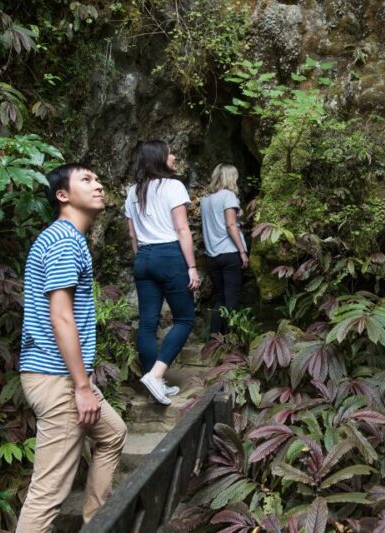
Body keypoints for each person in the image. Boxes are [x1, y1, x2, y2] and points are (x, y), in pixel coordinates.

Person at [17, 163, 126, 532]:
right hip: (56, 377)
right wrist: (82, 386)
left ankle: (98, 524)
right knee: (47, 494)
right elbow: (60, 316)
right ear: (62, 195)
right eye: (87, 180)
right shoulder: (64, 240)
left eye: (98, 178)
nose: (98, 185)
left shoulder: (66, 238)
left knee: (113, 434)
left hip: (56, 373)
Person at [125, 140, 200, 406]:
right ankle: (157, 375)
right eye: (170, 152)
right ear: (159, 158)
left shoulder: (133, 191)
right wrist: (191, 266)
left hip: (144, 257)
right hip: (169, 255)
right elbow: (181, 230)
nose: (175, 155)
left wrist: (145, 259)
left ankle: (152, 382)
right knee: (184, 319)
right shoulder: (173, 186)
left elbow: (133, 234)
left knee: (147, 323)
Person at [200, 164, 249, 335]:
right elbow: (229, 225)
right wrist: (242, 251)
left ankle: (214, 339)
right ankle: (230, 342)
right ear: (230, 178)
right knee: (232, 300)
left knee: (220, 298)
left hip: (212, 256)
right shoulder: (228, 196)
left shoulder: (205, 199)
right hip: (229, 253)